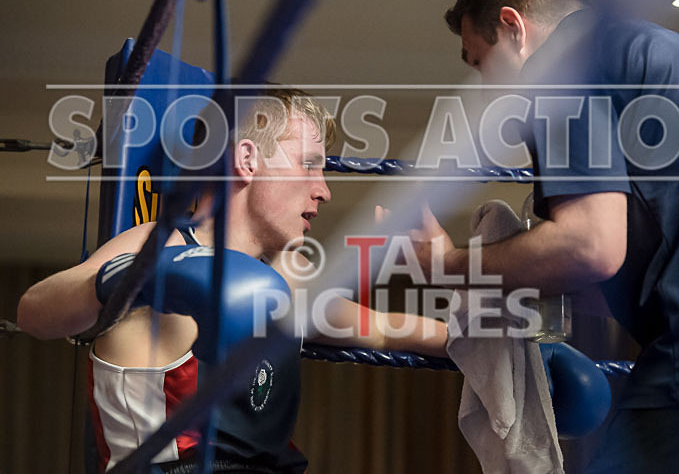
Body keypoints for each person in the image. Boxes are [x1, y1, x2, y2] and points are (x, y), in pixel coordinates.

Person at [409, 0, 679, 472]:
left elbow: (590, 246)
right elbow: (649, 250)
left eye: (480, 61)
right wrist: (525, 287)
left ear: (513, 26)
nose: (489, 89)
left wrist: (450, 264)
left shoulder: (566, 66)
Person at [17, 88, 448, 473]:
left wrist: (491, 320)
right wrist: (132, 279)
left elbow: (391, 332)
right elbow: (35, 311)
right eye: (309, 166)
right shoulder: (160, 241)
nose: (323, 190)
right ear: (246, 160)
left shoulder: (286, 278)